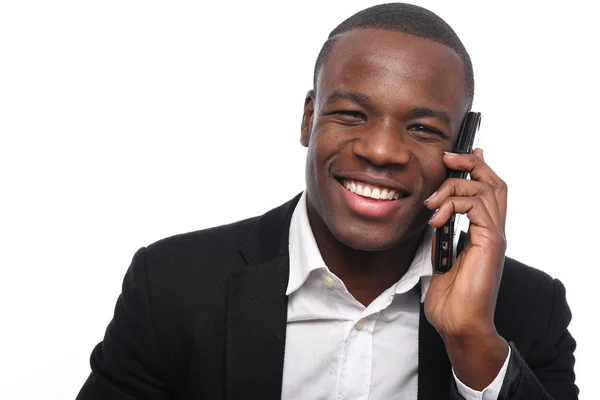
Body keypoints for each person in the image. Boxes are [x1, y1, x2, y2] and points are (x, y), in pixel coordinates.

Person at [76, 3, 577, 399]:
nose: (380, 150)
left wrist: (473, 344)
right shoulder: (171, 286)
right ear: (307, 120)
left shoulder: (531, 310)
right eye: (352, 115)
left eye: (423, 128)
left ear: (461, 151)